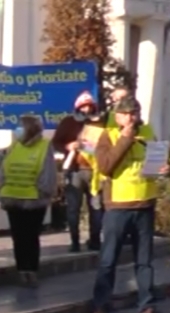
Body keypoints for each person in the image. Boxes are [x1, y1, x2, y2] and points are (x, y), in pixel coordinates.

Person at [91, 97, 166, 313]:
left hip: (145, 203)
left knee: (144, 260)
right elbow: (105, 166)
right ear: (118, 116)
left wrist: (166, 168)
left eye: (134, 112)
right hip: (118, 206)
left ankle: (147, 303)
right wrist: (124, 140)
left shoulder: (148, 132)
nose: (131, 117)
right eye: (126, 114)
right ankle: (101, 305)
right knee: (108, 259)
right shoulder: (108, 135)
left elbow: (160, 159)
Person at [0, 115, 57, 287]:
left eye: (21, 126)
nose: (18, 130)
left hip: (33, 200)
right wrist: (1, 189)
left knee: (31, 236)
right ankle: (22, 270)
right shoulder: (14, 145)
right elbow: (4, 168)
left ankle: (31, 270)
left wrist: (43, 192)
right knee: (18, 236)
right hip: (13, 197)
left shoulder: (44, 146)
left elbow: (48, 172)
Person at [52, 91, 105, 252]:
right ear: (77, 108)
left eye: (89, 106)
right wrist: (69, 146)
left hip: (95, 170)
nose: (87, 109)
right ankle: (74, 241)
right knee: (73, 207)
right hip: (74, 170)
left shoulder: (100, 123)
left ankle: (95, 240)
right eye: (83, 106)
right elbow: (56, 142)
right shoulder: (68, 122)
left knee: (96, 206)